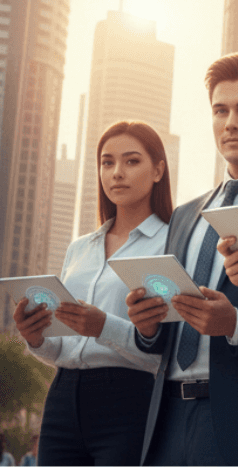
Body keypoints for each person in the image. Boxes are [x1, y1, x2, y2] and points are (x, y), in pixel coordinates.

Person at [124, 53, 238, 466]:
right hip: (167, 417)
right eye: (221, 110)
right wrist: (147, 326)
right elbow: (168, 326)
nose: (230, 122)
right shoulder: (185, 214)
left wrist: (234, 324)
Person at [13, 120, 169, 466]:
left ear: (158, 170)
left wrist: (103, 327)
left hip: (130, 400)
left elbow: (167, 354)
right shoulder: (80, 248)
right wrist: (36, 338)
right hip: (63, 398)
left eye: (131, 161)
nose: (117, 173)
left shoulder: (170, 243)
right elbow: (66, 348)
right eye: (107, 162)